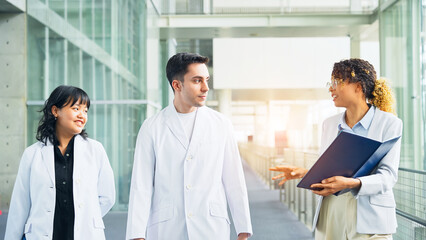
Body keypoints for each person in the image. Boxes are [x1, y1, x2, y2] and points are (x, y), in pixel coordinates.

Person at [270, 59, 402, 240]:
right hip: (332, 211)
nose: (331, 89)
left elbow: (388, 176)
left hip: (371, 216)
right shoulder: (329, 124)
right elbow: (331, 168)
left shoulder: (389, 124)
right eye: (330, 83)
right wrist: (305, 173)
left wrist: (351, 184)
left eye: (337, 82)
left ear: (358, 86)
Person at [126, 53, 252, 240]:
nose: (205, 88)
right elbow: (141, 185)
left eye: (206, 80)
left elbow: (234, 180)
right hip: (167, 228)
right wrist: (137, 234)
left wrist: (243, 229)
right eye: (197, 80)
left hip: (211, 226)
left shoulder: (221, 124)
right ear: (177, 85)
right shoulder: (152, 127)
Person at [5, 85, 116, 240]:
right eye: (76, 108)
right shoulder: (32, 154)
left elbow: (107, 197)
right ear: (55, 111)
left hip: (85, 234)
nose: (82, 115)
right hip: (42, 234)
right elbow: (20, 205)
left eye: (85, 111)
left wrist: (86, 217)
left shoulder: (95, 150)